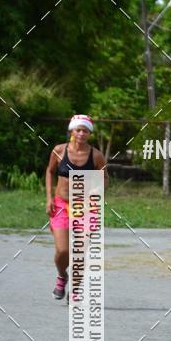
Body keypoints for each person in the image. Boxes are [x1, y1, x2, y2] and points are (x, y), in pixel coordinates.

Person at [45, 115, 108, 301]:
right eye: (78, 129)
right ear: (71, 131)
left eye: (85, 130)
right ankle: (62, 276)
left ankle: (75, 289)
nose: (81, 133)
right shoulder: (59, 150)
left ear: (89, 133)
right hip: (61, 205)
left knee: (80, 251)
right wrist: (49, 198)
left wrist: (97, 189)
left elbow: (105, 177)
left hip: (86, 207)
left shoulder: (95, 155)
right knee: (63, 251)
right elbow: (50, 171)